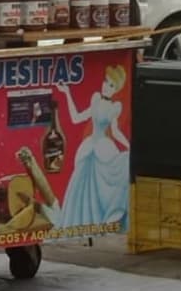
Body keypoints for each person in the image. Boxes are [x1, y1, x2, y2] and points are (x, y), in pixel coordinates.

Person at [55, 65, 130, 229]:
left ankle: (108, 219)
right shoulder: (96, 99)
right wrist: (67, 93)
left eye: (111, 85)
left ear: (116, 89)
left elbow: (115, 131)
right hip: (89, 148)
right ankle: (84, 224)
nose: (106, 86)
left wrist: (129, 146)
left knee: (108, 185)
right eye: (106, 81)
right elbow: (76, 118)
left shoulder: (114, 107)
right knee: (81, 188)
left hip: (104, 149)